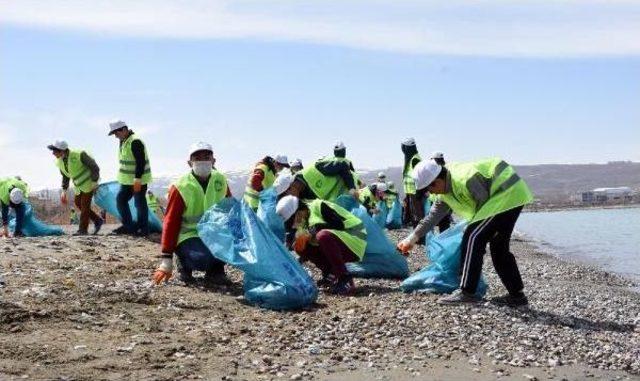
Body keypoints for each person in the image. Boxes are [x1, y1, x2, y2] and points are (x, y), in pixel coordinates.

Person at [397, 158, 534, 306]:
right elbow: (432, 217)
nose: (431, 193)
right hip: (510, 196)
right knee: (498, 248)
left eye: (430, 189)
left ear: (436, 181)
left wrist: (482, 231)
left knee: (473, 237)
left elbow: (483, 207)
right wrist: (411, 239)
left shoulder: (465, 179)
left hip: (506, 194)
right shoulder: (443, 192)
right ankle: (517, 296)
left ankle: (468, 292)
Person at [153, 142, 232, 285]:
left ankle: (216, 270)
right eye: (197, 158)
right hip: (189, 236)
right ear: (190, 163)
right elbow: (170, 222)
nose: (202, 161)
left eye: (206, 157)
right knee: (202, 259)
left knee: (231, 247)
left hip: (213, 234)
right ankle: (184, 263)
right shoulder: (181, 186)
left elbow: (230, 209)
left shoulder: (220, 180)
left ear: (214, 161)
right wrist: (166, 259)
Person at [277, 195, 366, 296]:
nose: (294, 223)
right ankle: (330, 274)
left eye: (294, 219)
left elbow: (339, 225)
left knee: (322, 235)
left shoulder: (318, 205)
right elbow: (292, 244)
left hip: (355, 238)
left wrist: (314, 229)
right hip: (339, 242)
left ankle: (344, 277)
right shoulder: (303, 219)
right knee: (300, 245)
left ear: (299, 210)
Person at [47, 140, 104, 235]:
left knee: (85, 205)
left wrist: (94, 182)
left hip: (89, 183)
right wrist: (64, 190)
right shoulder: (60, 161)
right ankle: (97, 220)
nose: (53, 153)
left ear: (62, 151)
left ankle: (82, 230)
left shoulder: (79, 154)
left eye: (54, 151)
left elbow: (94, 167)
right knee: (78, 203)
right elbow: (65, 176)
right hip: (78, 185)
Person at [108, 120, 152, 236]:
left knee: (139, 203)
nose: (115, 136)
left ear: (124, 129)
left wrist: (138, 179)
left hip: (138, 180)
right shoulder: (124, 141)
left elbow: (140, 162)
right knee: (121, 200)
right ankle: (128, 226)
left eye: (116, 133)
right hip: (127, 180)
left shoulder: (135, 141)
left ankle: (144, 229)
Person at [401, 138, 425, 228]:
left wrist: (420, 192)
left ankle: (420, 238)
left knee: (418, 216)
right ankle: (417, 236)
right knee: (413, 215)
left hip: (416, 192)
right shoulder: (410, 159)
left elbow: (421, 177)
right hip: (411, 192)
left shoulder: (415, 159)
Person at [428, 151, 452, 232]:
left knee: (441, 220)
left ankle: (442, 238)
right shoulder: (442, 169)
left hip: (441, 199)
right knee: (442, 221)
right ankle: (443, 238)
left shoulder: (438, 171)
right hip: (438, 199)